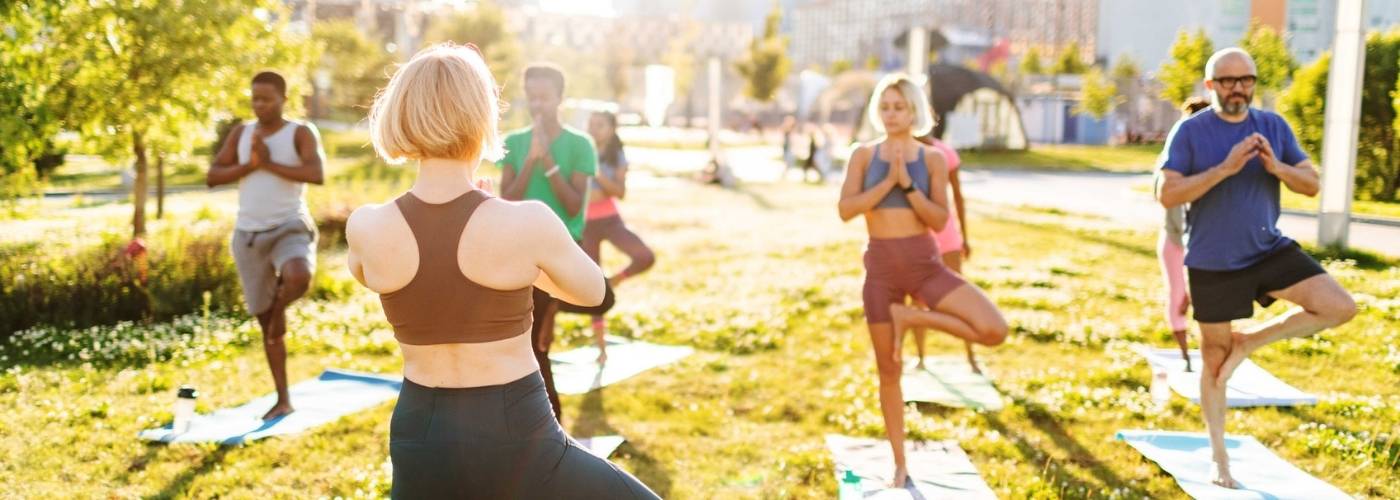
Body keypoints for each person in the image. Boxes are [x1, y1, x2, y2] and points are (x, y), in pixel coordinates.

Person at [346, 43, 657, 499]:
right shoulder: (524, 222)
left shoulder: (367, 225)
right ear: (481, 116)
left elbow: (374, 274)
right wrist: (515, 250)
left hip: (418, 435)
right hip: (514, 431)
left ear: (400, 114)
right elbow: (593, 292)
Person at [1156, 47, 1357, 489]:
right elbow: (1167, 194)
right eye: (1227, 81)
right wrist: (1225, 169)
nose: (1238, 89)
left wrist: (1277, 166)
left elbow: (1311, 184)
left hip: (1267, 248)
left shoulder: (1273, 126)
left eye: (1245, 79)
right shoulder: (1190, 132)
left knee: (1340, 306)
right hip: (1212, 260)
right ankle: (1219, 457)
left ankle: (1248, 344)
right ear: (1210, 87)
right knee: (1213, 358)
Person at [837, 73, 1009, 488]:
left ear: (915, 111)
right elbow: (846, 210)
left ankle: (912, 319)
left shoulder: (932, 160)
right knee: (889, 369)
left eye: (900, 107)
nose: (891, 114)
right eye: (885, 107)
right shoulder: (862, 155)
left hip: (924, 265)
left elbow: (938, 218)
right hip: (880, 269)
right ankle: (899, 462)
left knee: (993, 329)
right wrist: (886, 183)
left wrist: (908, 185)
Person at [499, 63, 616, 423]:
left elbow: (571, 204)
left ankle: (551, 432)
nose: (537, 105)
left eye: (544, 97)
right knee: (532, 345)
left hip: (563, 252)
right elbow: (508, 199)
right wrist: (531, 158)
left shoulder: (579, 145)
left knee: (540, 341)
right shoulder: (515, 143)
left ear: (560, 99)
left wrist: (548, 160)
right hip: (521, 254)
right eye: (531, 97)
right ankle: (547, 429)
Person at [207, 71, 325, 421]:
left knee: (299, 276)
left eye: (267, 99)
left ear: (283, 99)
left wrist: (267, 163)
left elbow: (315, 174)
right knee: (269, 333)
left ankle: (278, 312)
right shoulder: (242, 133)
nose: (259, 105)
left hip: (288, 225)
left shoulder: (300, 132)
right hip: (249, 236)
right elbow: (213, 176)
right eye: (254, 99)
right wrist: (250, 164)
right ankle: (283, 398)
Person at [571, 110, 656, 364]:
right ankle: (601, 349)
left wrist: (596, 174)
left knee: (645, 256)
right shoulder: (579, 151)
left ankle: (614, 281)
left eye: (600, 125)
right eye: (591, 124)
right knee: (594, 285)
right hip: (585, 225)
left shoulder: (616, 155)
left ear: (611, 128)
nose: (594, 129)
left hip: (610, 220)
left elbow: (619, 191)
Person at [909, 134, 981, 374]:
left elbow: (958, 197)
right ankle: (920, 359)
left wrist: (965, 237)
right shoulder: (902, 151)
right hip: (915, 238)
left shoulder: (945, 152)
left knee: (959, 299)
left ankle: (971, 358)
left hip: (947, 238)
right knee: (916, 301)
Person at [1157, 96, 1212, 372]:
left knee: (1209, 302)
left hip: (1208, 244)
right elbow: (1167, 200)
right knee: (1179, 300)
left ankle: (1209, 355)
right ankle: (1185, 357)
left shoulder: (1215, 159)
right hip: (1177, 243)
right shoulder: (1174, 159)